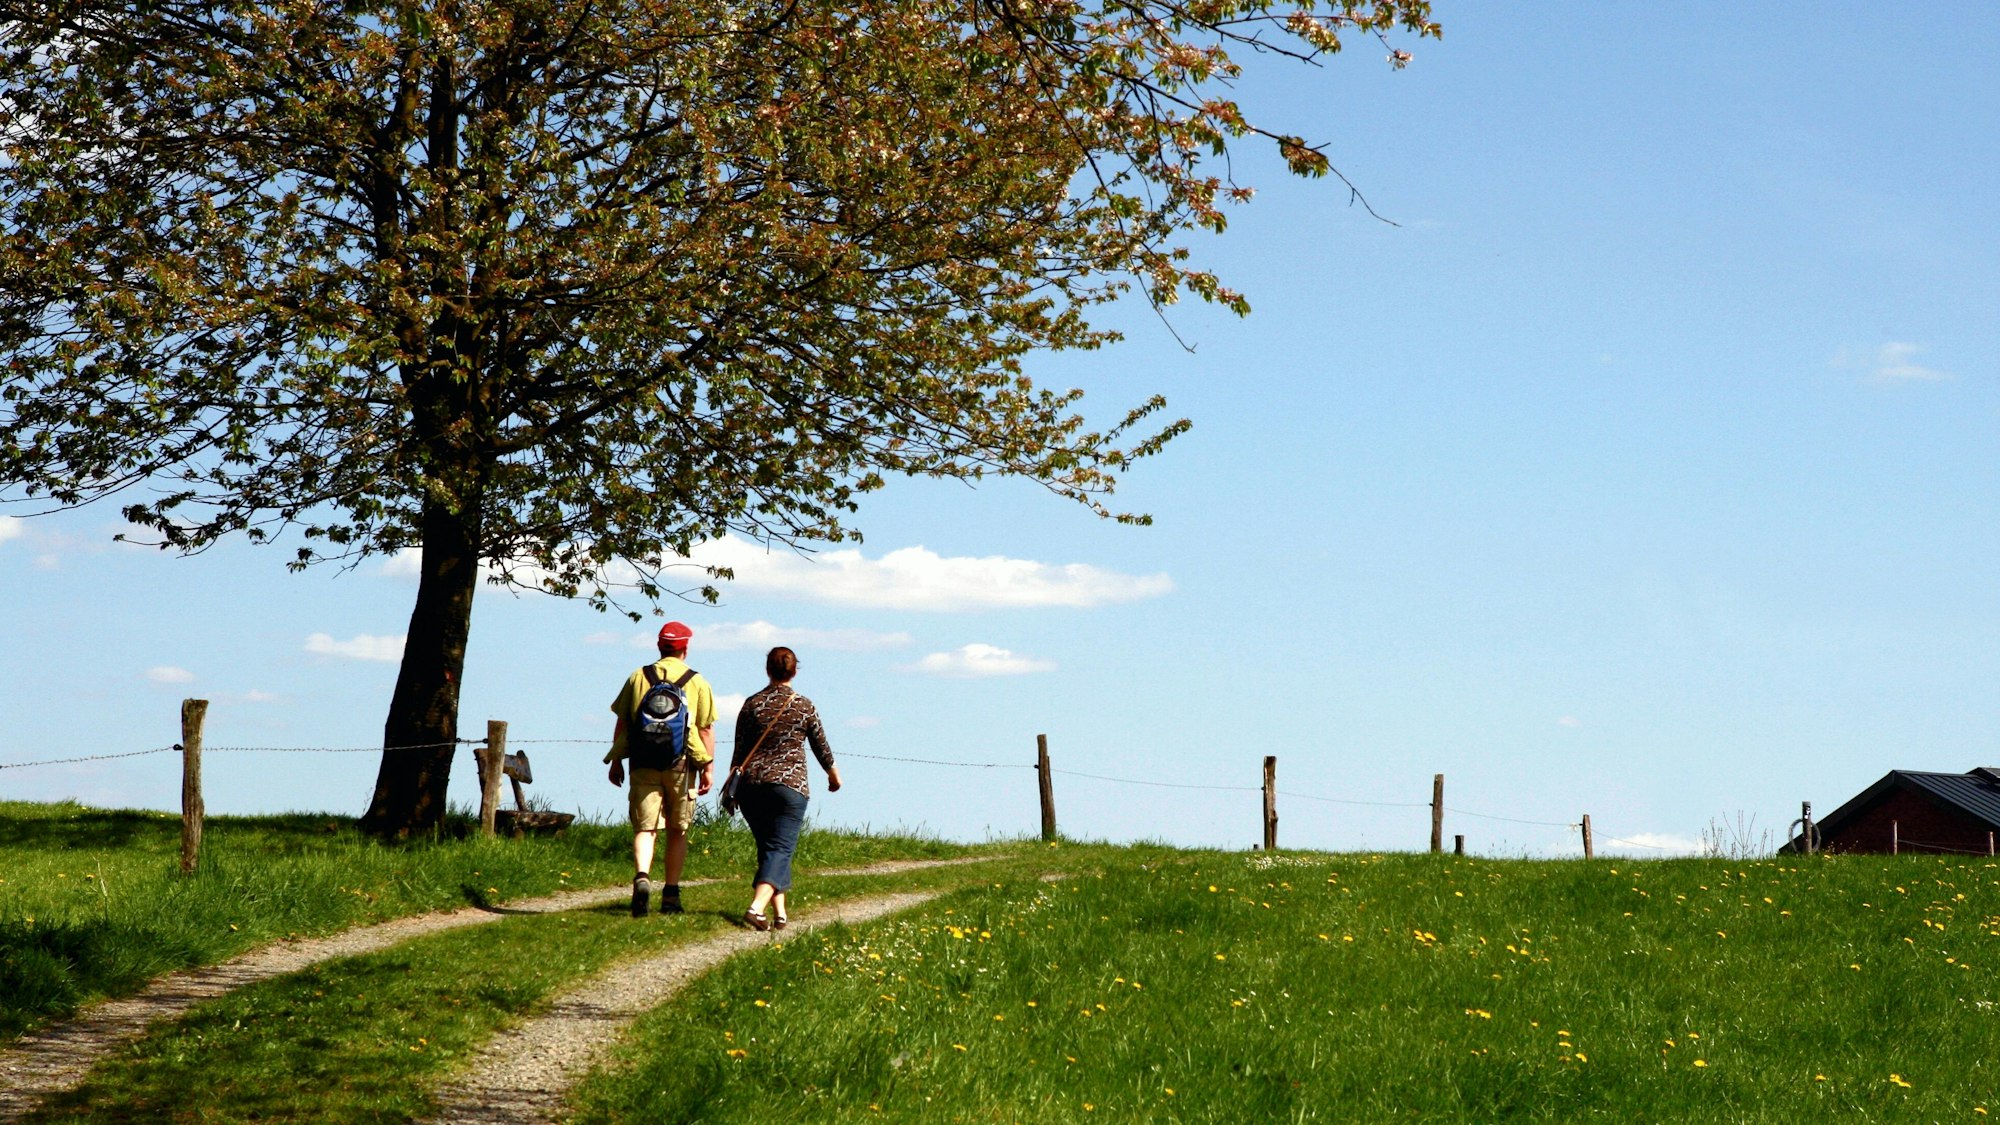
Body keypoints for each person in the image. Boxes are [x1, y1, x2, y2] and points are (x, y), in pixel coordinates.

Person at [607, 620, 717, 917]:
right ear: (685, 648)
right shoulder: (697, 681)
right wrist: (707, 767)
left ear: (659, 646)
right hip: (681, 763)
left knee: (645, 828)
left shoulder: (637, 677)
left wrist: (617, 760)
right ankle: (670, 894)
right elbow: (704, 729)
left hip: (642, 761)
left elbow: (623, 722)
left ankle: (642, 876)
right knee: (677, 830)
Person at [727, 645, 841, 931]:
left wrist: (732, 785)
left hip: (751, 785)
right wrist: (833, 774)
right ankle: (756, 907)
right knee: (780, 848)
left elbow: (739, 750)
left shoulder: (752, 704)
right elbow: (820, 745)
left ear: (768, 670)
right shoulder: (803, 705)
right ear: (794, 671)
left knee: (770, 848)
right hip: (790, 786)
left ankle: (779, 914)